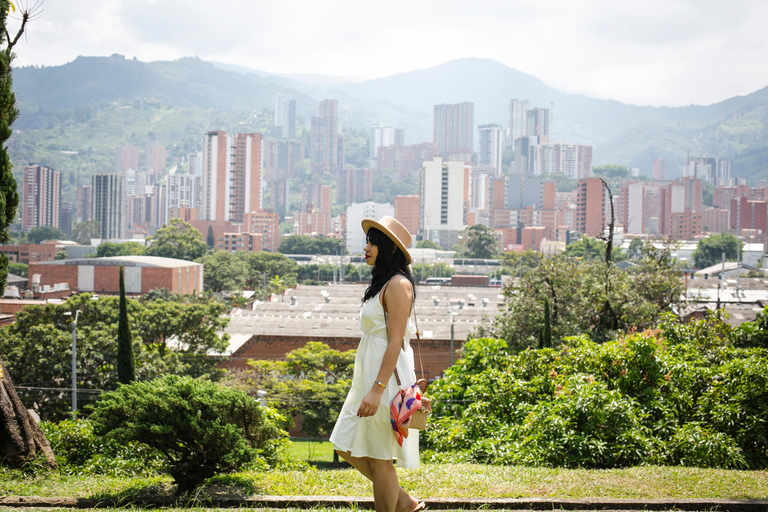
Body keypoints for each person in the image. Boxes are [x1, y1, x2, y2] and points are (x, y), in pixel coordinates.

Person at [330, 215, 430, 512]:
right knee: (345, 444)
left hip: (385, 381)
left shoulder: (398, 285)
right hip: (370, 378)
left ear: (389, 248)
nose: (366, 248)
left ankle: (400, 505)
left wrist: (377, 389)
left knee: (379, 457)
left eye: (372, 243)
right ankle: (404, 502)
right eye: (367, 242)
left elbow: (395, 342)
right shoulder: (383, 283)